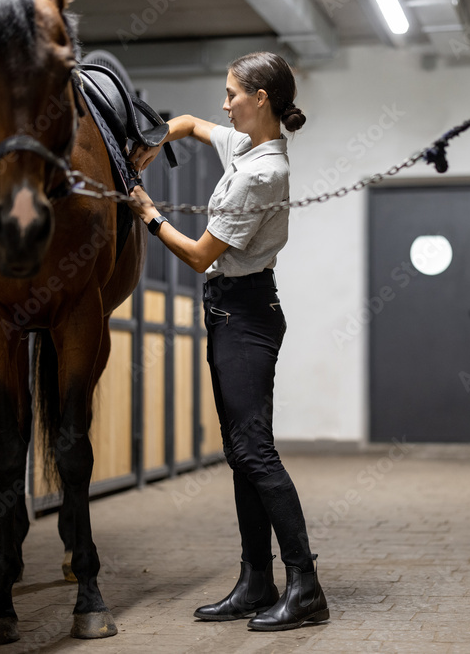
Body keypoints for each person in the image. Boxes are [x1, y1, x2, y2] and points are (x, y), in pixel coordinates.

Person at [127, 51, 328, 632]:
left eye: (232, 94)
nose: (225, 103)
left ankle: (305, 585)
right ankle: (257, 580)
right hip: (231, 311)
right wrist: (153, 142)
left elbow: (197, 256)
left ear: (260, 99)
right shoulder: (244, 146)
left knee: (254, 451)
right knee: (242, 452)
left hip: (245, 315)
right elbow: (189, 124)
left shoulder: (264, 172)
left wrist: (147, 211)